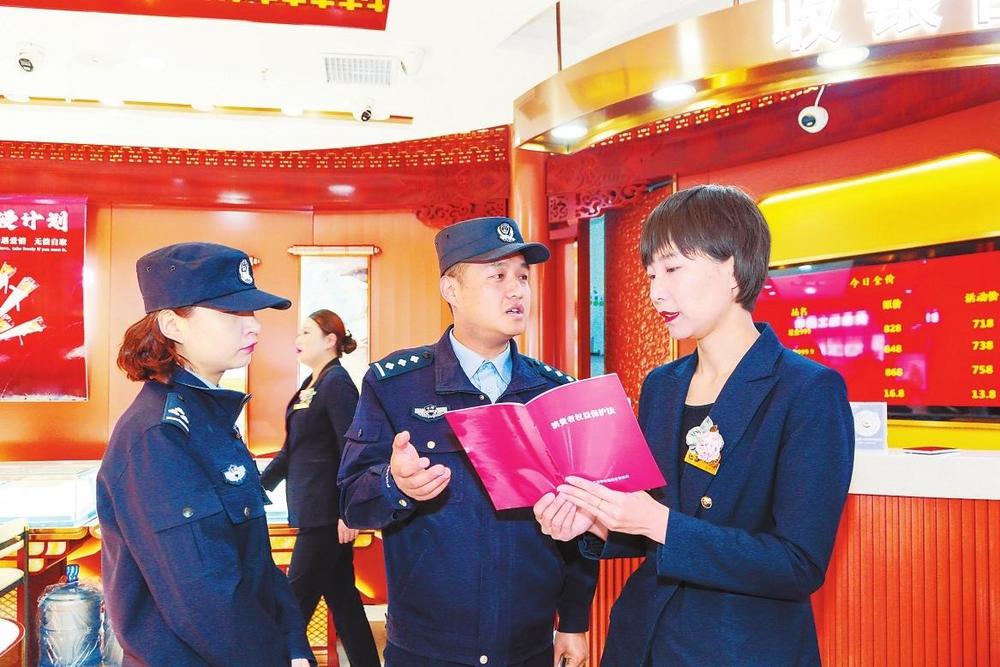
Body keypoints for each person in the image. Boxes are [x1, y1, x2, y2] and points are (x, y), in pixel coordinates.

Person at [534, 185, 855, 666]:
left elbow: (797, 564)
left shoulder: (807, 390)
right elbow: (655, 526)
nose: (656, 292)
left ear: (733, 268)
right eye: (651, 274)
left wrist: (656, 521)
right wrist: (596, 522)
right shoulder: (663, 385)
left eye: (673, 269)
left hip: (740, 649)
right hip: (642, 643)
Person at [338, 216, 599, 667]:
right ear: (451, 289)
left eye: (522, 277)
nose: (517, 291)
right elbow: (353, 503)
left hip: (527, 645)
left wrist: (574, 621)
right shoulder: (395, 385)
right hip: (426, 649)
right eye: (497, 276)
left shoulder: (555, 393)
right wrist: (395, 484)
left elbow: (577, 518)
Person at [97, 242, 315, 667]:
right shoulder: (159, 435)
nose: (254, 327)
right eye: (232, 313)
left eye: (252, 313)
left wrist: (293, 645)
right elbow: (205, 599)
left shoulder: (207, 419)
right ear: (171, 324)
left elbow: (255, 560)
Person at [261, 309, 380, 667]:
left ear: (330, 341)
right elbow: (290, 451)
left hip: (328, 516)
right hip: (312, 510)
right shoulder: (309, 386)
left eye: (306, 333)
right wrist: (254, 487)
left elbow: (353, 450)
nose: (297, 339)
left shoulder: (337, 383)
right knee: (344, 601)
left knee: (294, 603)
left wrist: (349, 510)